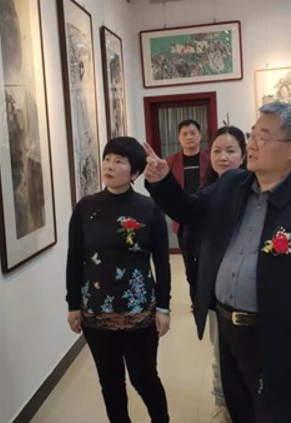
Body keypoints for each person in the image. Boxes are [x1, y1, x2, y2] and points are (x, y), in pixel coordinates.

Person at [144, 101, 291, 422]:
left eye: (263, 137)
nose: (251, 144)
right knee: (239, 409)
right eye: (252, 135)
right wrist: (162, 182)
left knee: (275, 414)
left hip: (278, 337)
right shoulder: (231, 185)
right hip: (228, 327)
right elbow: (190, 212)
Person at [66, 137, 171, 423]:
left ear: (134, 172)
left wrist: (163, 307)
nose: (109, 166)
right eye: (107, 159)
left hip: (139, 312)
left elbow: (162, 262)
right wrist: (73, 304)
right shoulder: (85, 208)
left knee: (144, 378)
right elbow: (75, 258)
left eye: (119, 161)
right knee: (110, 382)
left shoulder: (148, 208)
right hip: (96, 311)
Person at [184, 126, 247, 423]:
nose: (224, 157)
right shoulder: (204, 195)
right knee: (220, 351)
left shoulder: (255, 193)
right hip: (215, 290)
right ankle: (223, 405)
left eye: (231, 151)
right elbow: (190, 245)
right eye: (218, 151)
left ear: (244, 155)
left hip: (247, 293)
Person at [166, 119, 211, 304]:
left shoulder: (210, 158)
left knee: (206, 259)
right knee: (189, 263)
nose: (189, 137)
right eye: (185, 134)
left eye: (193, 133)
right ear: (179, 137)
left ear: (200, 135)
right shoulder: (171, 161)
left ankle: (208, 298)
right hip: (183, 221)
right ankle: (196, 298)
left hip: (206, 218)